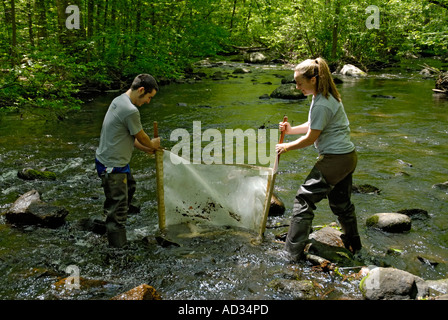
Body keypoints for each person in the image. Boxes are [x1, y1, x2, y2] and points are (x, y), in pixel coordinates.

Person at [275, 57, 361, 261]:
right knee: (341, 203)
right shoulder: (324, 96)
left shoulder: (322, 103)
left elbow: (312, 137)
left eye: (299, 82)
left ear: (313, 79)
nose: (297, 87)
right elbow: (315, 124)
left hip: (336, 159)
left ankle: (291, 252)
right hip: (347, 158)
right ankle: (354, 244)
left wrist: (287, 146)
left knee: (303, 199)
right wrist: (291, 130)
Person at [95, 74, 161, 248]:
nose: (148, 101)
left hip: (110, 161)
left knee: (130, 187)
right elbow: (143, 137)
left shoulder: (119, 100)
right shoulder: (130, 110)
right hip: (113, 167)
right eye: (149, 97)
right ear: (141, 90)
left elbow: (131, 137)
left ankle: (110, 216)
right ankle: (119, 252)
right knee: (118, 215)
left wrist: (148, 148)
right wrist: (152, 145)